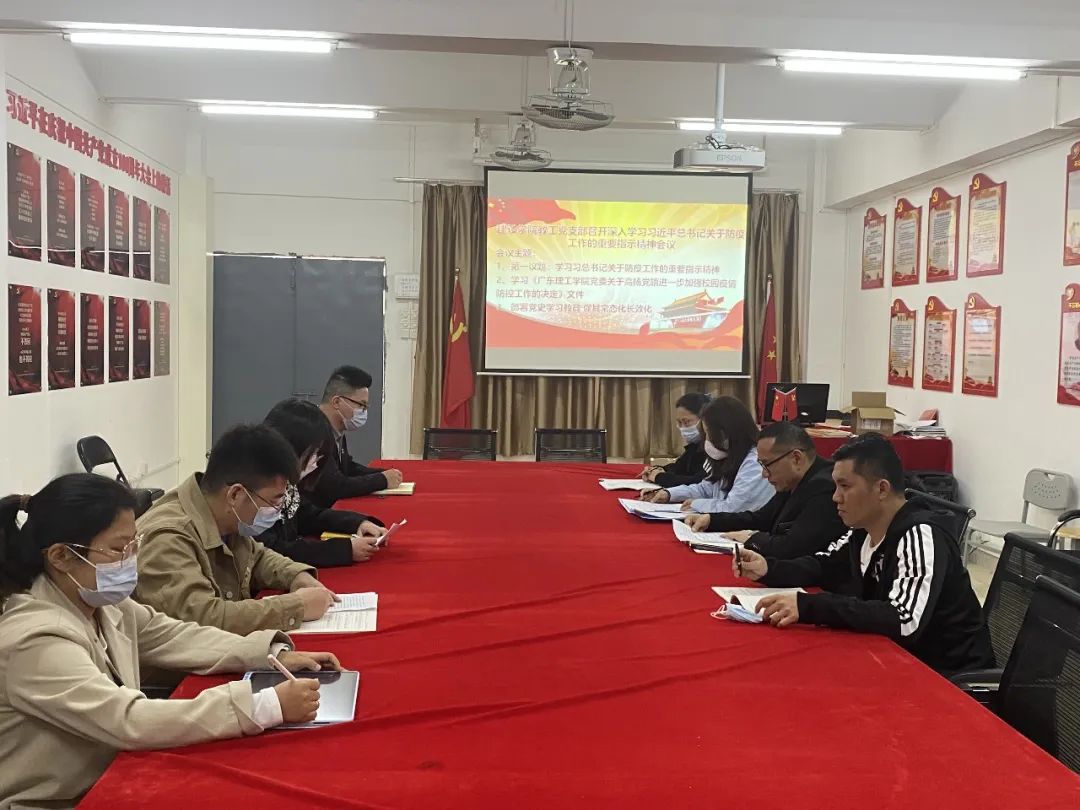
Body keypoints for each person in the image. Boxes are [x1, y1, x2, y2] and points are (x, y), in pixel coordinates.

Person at [0, 474, 338, 807]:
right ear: (60, 556)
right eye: (119, 549)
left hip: (113, 774)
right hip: (62, 800)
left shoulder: (98, 602)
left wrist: (268, 653)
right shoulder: (34, 640)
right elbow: (128, 719)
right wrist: (262, 706)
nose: (131, 559)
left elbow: (174, 636)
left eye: (134, 545)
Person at [734, 433, 994, 675]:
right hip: (893, 658)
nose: (836, 497)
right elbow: (824, 566)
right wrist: (769, 569)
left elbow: (904, 621)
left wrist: (809, 606)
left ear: (881, 489)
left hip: (946, 676)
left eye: (845, 486)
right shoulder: (862, 530)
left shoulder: (920, 534)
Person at [135, 424, 338, 635]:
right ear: (235, 495)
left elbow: (257, 557)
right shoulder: (167, 538)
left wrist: (296, 575)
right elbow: (204, 619)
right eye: (274, 501)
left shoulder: (223, 514)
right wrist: (295, 607)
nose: (278, 510)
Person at [685, 421, 847, 559]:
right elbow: (761, 518)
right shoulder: (793, 480)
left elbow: (794, 547)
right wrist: (712, 520)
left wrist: (752, 539)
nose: (764, 474)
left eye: (767, 464)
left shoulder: (825, 488)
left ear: (796, 458)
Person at [262, 398, 387, 567]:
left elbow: (308, 515)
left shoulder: (287, 484)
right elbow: (270, 550)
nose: (315, 462)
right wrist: (343, 550)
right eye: (312, 453)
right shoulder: (257, 487)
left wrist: (357, 522)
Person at [641, 396, 773, 514]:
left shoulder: (755, 461)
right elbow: (706, 488)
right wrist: (669, 494)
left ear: (729, 432)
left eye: (710, 434)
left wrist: (697, 504)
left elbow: (734, 507)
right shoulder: (728, 456)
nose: (707, 441)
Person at [311, 365, 404, 506]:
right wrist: (382, 480)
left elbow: (347, 468)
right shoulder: (314, 431)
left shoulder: (336, 430)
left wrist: (383, 474)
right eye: (361, 405)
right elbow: (334, 486)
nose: (364, 411)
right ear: (336, 402)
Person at [641, 392, 711, 487]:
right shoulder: (695, 446)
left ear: (704, 421)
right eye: (679, 422)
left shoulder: (713, 449)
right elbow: (679, 467)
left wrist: (658, 477)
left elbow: (698, 482)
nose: (682, 427)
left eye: (686, 422)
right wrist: (658, 469)